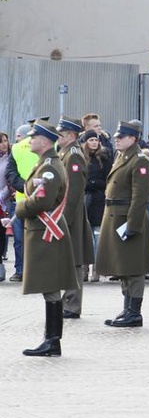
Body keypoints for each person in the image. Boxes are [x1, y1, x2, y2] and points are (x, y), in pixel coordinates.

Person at [11, 120, 77, 356]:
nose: (30, 141)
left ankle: (52, 340)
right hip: (41, 232)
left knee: (50, 286)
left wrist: (19, 208)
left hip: (46, 233)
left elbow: (44, 201)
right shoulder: (45, 163)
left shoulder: (50, 167)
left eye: (34, 137)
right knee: (48, 287)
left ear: (46, 141)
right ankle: (51, 339)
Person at [97, 121, 149, 328]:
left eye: (120, 137)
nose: (116, 139)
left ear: (132, 139)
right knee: (122, 267)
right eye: (116, 137)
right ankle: (127, 308)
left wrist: (132, 224)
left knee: (134, 268)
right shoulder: (122, 156)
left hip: (128, 218)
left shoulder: (140, 161)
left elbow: (140, 197)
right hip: (115, 216)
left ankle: (134, 312)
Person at [56, 116, 95, 319]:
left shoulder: (73, 156)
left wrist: (65, 219)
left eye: (61, 134)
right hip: (66, 213)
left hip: (71, 215)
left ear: (71, 135)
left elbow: (73, 192)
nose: (57, 137)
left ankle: (72, 304)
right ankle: (68, 302)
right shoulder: (65, 153)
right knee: (69, 260)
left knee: (75, 260)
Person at [5, 123, 38, 282]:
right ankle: (34, 271)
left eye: (18, 135)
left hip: (21, 200)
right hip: (39, 199)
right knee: (36, 237)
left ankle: (20, 271)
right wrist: (30, 188)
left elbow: (10, 173)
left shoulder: (16, 148)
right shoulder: (50, 145)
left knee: (20, 240)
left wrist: (24, 187)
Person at [83, 130, 112, 282]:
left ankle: (96, 267)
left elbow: (108, 177)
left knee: (97, 234)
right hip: (85, 197)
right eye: (91, 140)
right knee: (84, 233)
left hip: (99, 198)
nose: (94, 142)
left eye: (96, 140)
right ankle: (84, 267)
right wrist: (89, 184)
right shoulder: (81, 157)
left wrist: (95, 184)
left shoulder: (104, 157)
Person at [0, 131, 10, 281]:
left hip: (5, 201)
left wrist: (2, 195)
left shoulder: (11, 158)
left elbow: (11, 178)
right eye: (1, 141)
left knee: (2, 233)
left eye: (5, 141)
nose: (4, 144)